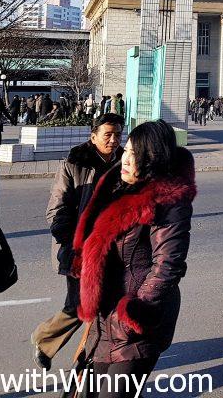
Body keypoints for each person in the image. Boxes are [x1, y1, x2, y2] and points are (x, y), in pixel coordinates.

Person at [72, 120, 196, 397]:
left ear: (152, 159)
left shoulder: (168, 200)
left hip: (136, 320)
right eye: (126, 151)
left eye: (135, 154)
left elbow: (168, 265)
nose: (125, 159)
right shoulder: (117, 187)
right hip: (106, 316)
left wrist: (134, 313)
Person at [31, 112, 125, 370]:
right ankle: (45, 338)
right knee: (80, 304)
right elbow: (57, 209)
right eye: (108, 134)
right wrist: (71, 243)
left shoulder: (125, 163)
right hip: (79, 248)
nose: (114, 140)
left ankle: (101, 353)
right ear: (93, 136)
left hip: (113, 247)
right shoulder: (74, 164)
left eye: (118, 134)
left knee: (107, 301)